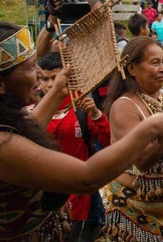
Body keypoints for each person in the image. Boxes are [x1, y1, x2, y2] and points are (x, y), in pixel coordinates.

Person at [0, 22, 163, 242]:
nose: (40, 75)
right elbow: (87, 177)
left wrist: (60, 89)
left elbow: (29, 129)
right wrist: (150, 127)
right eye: (31, 67)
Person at [101, 37, 163, 242]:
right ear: (132, 68)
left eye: (162, 61)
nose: (162, 69)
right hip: (134, 205)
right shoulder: (124, 106)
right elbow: (141, 161)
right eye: (154, 63)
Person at [37, 52, 111, 242]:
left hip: (76, 200)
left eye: (55, 77)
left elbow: (108, 140)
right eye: (44, 79)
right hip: (41, 198)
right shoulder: (33, 111)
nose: (50, 84)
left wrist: (96, 114)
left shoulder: (82, 108)